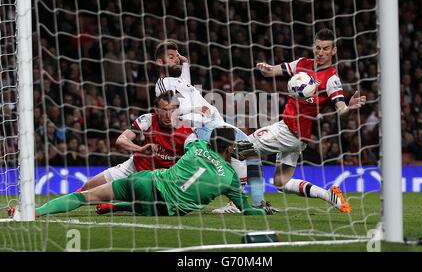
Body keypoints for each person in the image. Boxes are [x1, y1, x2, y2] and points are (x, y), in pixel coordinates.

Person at [9, 128, 271, 218]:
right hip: (167, 208)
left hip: (147, 182)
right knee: (157, 208)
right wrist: (261, 210)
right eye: (234, 146)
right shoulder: (231, 179)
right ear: (227, 147)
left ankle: (35, 212)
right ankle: (117, 206)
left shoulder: (197, 146)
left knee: (85, 197)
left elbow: (190, 138)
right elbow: (246, 210)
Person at [248, 28, 368, 213]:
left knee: (242, 148)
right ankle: (329, 195)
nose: (321, 53)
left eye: (326, 49)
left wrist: (350, 109)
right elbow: (273, 71)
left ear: (333, 51)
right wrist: (266, 69)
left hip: (289, 131)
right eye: (318, 48)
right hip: (297, 135)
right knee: (281, 182)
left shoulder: (331, 79)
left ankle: (237, 203)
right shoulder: (302, 63)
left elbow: (341, 110)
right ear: (313, 47)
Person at [153, 41, 273, 214]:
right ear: (159, 62)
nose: (175, 60)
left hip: (214, 123)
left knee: (251, 152)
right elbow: (170, 109)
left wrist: (183, 61)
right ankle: (235, 204)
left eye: (176, 56)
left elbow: (183, 79)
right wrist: (195, 109)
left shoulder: (180, 82)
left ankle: (258, 202)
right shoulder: (164, 84)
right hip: (200, 126)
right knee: (240, 151)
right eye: (170, 57)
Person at [77, 91, 192, 191]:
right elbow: (121, 140)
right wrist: (140, 149)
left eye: (172, 110)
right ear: (156, 110)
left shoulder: (187, 132)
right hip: (135, 167)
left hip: (162, 178)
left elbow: (192, 162)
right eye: (164, 110)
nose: (168, 115)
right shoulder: (148, 119)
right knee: (88, 187)